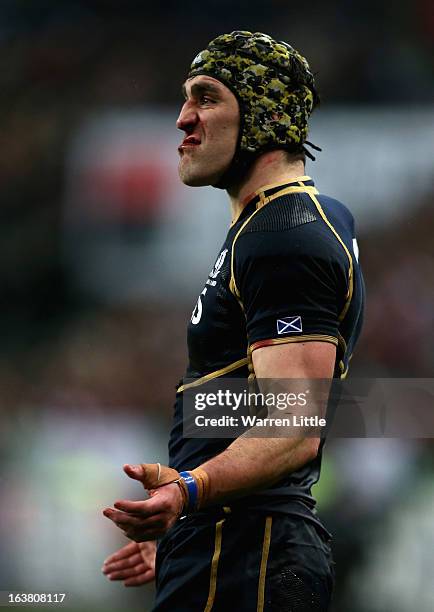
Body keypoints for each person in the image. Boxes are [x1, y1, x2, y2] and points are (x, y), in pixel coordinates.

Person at [102, 31, 364, 611]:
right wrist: (184, 522)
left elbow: (295, 427)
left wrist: (189, 492)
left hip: (249, 552)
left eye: (206, 97)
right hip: (226, 542)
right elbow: (244, 399)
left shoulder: (284, 237)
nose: (182, 119)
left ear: (264, 115)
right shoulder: (282, 225)